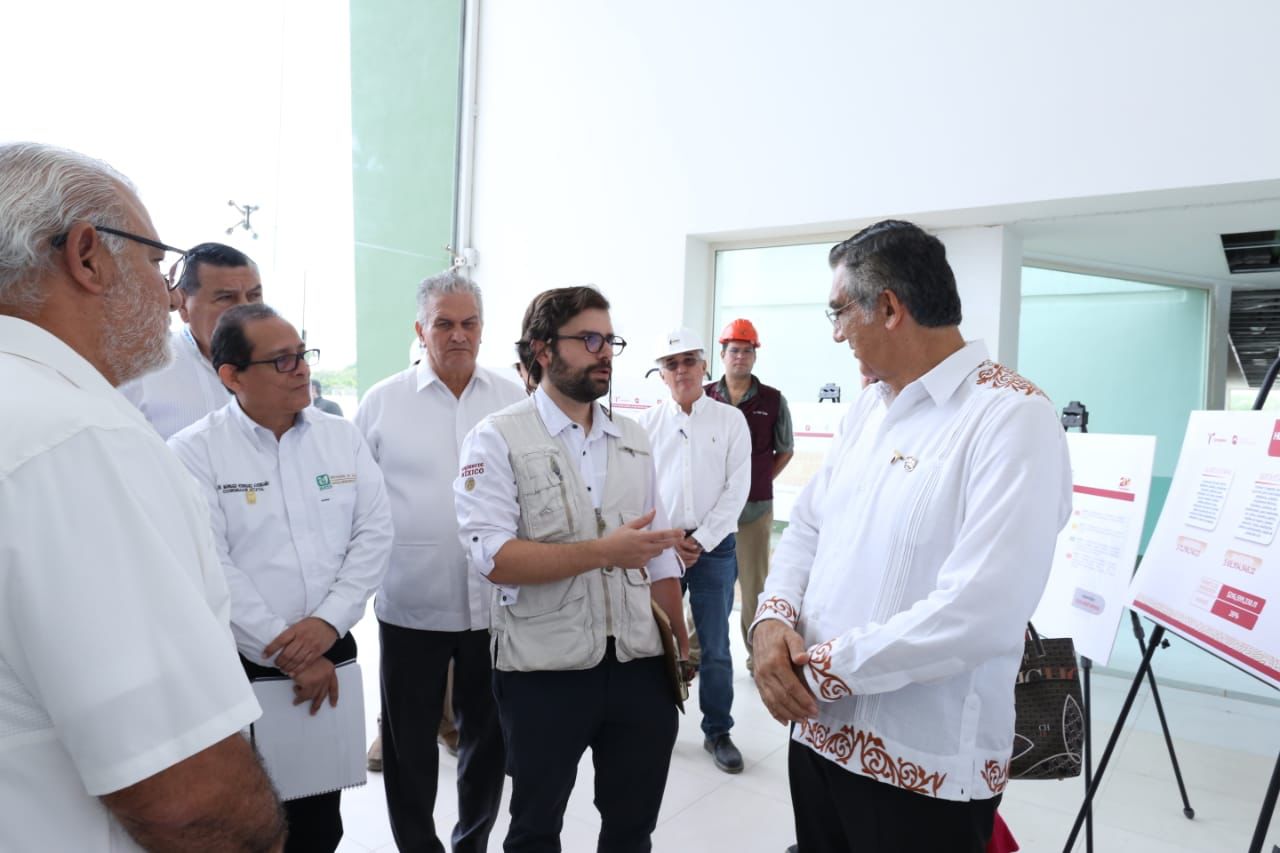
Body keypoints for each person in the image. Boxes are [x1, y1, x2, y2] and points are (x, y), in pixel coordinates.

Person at [751, 220, 1072, 853]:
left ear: (890, 307)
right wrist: (772, 619)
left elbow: (980, 612)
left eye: (840, 312)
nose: (837, 333)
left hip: (920, 765)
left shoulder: (1011, 418)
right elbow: (809, 524)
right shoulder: (869, 409)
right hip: (816, 735)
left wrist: (821, 669)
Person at [0, 142, 284, 850]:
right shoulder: (74, 438)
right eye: (158, 264)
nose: (166, 294)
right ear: (88, 256)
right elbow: (187, 797)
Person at [455, 285, 689, 853]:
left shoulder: (633, 438)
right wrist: (602, 552)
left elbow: (657, 550)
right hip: (543, 669)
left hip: (637, 663)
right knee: (536, 828)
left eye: (609, 340)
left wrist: (679, 649)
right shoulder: (496, 437)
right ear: (542, 350)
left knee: (632, 827)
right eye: (588, 339)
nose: (604, 352)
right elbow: (494, 557)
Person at [169, 303, 394, 852]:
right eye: (282, 360)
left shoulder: (340, 438)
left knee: (319, 822)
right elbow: (210, 564)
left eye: (302, 354)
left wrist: (327, 624)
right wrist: (289, 652)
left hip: (332, 652)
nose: (302, 369)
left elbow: (374, 533)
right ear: (232, 376)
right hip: (239, 667)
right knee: (247, 822)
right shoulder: (193, 452)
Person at [354, 271, 523, 852]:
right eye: (444, 324)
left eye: (469, 323)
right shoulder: (382, 403)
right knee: (409, 747)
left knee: (488, 741)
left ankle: (471, 843)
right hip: (411, 604)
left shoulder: (512, 399)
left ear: (482, 328)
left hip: (494, 608)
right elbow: (358, 504)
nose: (458, 335)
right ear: (420, 329)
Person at [639, 327, 751, 774]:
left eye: (689, 360)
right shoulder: (644, 426)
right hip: (660, 547)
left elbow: (737, 488)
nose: (682, 370)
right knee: (654, 642)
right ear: (661, 374)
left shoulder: (730, 421)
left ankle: (718, 730)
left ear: (704, 366)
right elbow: (640, 489)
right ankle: (654, 724)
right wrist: (668, 540)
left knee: (716, 645)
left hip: (715, 547)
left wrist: (700, 540)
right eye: (672, 363)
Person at [703, 317, 794, 675]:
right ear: (722, 355)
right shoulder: (705, 397)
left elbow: (785, 449)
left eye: (746, 351)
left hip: (755, 510)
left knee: (756, 587)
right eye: (734, 351)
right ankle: (693, 653)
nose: (740, 357)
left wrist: (757, 481)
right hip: (710, 511)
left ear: (755, 356)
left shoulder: (773, 400)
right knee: (709, 584)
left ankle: (759, 658)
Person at [120, 241, 264, 438]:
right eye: (225, 297)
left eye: (254, 296)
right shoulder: (141, 372)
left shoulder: (285, 366)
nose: (245, 310)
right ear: (183, 306)